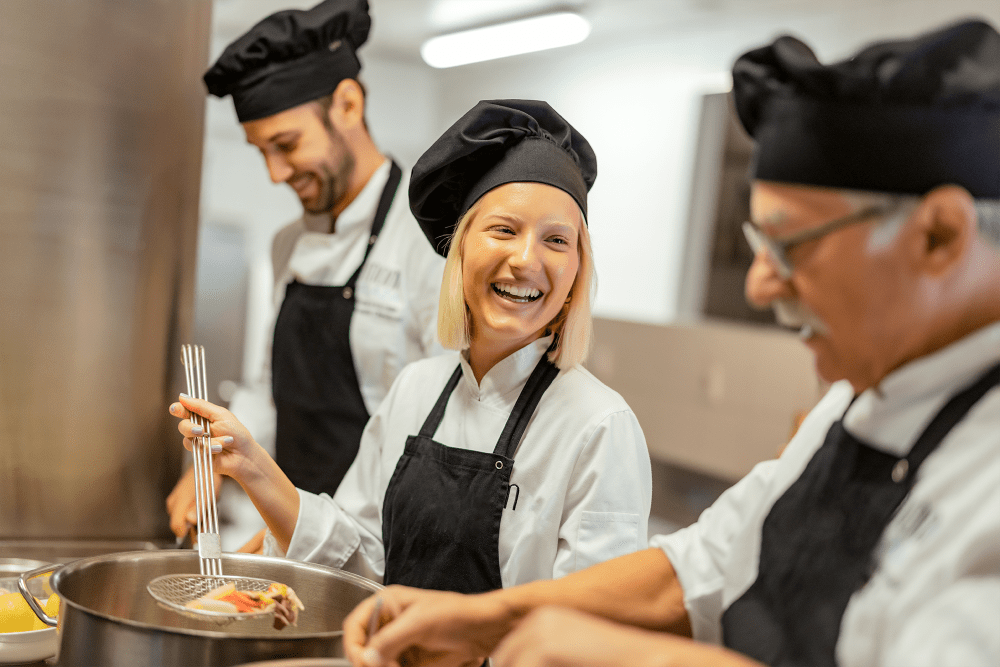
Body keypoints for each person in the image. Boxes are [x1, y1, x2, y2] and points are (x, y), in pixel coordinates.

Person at [341, 18, 1000, 667]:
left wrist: (626, 655)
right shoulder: (852, 405)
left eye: (789, 244)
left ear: (939, 235)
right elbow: (703, 562)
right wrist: (486, 617)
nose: (760, 285)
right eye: (757, 245)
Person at [170, 100, 652, 593]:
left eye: (556, 240)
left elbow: (587, 628)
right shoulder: (417, 390)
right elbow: (356, 554)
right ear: (460, 251)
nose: (526, 260)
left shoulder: (598, 427)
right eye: (504, 230)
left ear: (576, 273)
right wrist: (251, 463)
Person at [165, 0, 445, 550]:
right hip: (289, 526)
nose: (275, 173)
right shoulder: (287, 246)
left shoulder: (432, 242)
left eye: (286, 145)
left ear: (347, 103)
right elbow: (272, 389)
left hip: (382, 545)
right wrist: (209, 471)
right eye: (261, 152)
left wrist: (302, 532)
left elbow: (435, 438)